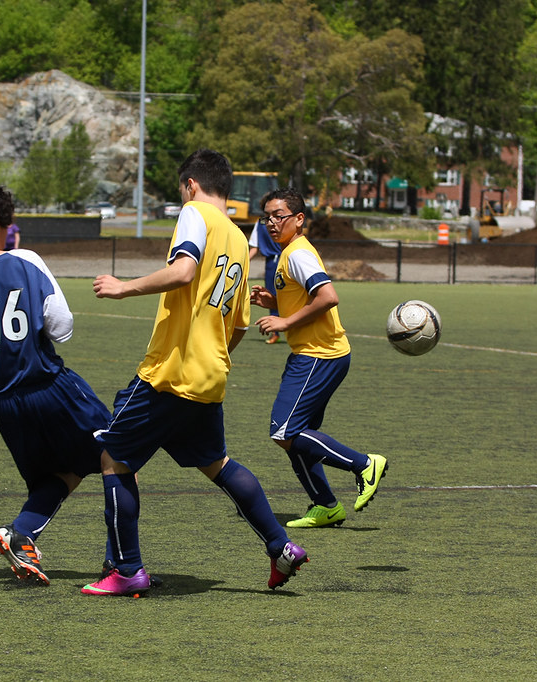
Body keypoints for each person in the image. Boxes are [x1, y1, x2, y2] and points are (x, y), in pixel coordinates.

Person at [84, 149, 309, 596]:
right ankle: (280, 545)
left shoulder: (194, 213)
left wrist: (123, 287)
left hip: (170, 373)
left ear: (190, 185)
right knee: (216, 463)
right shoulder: (240, 240)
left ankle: (127, 570)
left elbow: (183, 271)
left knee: (114, 458)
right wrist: (213, 354)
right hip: (210, 375)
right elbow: (240, 323)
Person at [0, 185, 111, 585]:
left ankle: (22, 534)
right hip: (50, 385)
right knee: (120, 458)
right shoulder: (26, 260)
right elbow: (62, 328)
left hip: (3, 401)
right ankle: (120, 561)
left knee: (60, 475)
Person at [250, 187, 387, 529]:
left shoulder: (297, 253)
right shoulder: (287, 253)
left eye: (278, 215)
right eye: (267, 216)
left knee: (284, 432)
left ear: (299, 219)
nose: (271, 222)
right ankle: (325, 505)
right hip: (313, 353)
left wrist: (282, 321)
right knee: (298, 435)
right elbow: (306, 299)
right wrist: (275, 304)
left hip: (319, 355)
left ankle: (364, 464)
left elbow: (328, 296)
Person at [248, 198, 283, 344]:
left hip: (280, 260)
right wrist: (244, 261)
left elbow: (254, 247)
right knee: (271, 296)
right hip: (273, 261)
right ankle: (275, 331)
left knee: (278, 295)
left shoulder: (260, 223)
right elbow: (255, 247)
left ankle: (279, 330)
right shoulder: (262, 224)